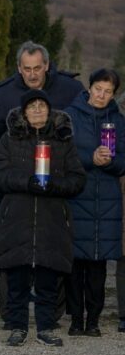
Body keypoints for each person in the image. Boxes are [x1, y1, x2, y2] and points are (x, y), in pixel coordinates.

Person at [0, 90, 85, 347]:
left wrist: (54, 185)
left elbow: (78, 180)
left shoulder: (63, 141)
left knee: (48, 279)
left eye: (41, 106)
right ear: (23, 112)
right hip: (17, 219)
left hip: (51, 220)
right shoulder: (9, 140)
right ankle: (18, 326)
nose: (37, 110)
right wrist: (27, 182)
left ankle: (45, 327)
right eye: (31, 106)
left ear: (49, 110)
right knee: (17, 279)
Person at [66, 69, 125, 337]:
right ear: (89, 88)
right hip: (78, 195)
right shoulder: (70, 116)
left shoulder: (119, 121)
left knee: (98, 264)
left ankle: (94, 320)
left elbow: (123, 160)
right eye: (98, 89)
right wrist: (91, 158)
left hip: (107, 201)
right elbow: (64, 155)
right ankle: (76, 319)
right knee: (75, 263)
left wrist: (111, 162)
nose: (102, 95)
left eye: (108, 91)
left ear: (114, 94)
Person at [0, 41, 82, 161]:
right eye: (27, 69)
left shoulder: (71, 89)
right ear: (19, 68)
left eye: (37, 68)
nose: (32, 75)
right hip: (17, 165)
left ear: (46, 65)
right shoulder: (3, 94)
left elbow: (83, 128)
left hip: (61, 165)